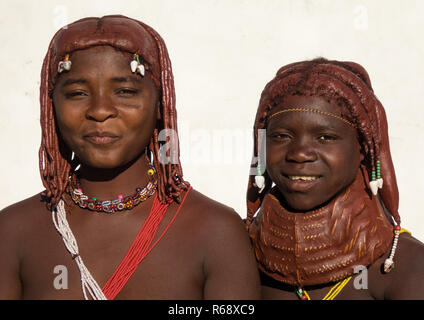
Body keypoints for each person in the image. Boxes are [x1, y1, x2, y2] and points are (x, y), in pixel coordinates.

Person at [0, 15, 260, 300]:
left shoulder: (215, 232)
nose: (100, 111)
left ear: (160, 104)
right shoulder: (14, 232)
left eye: (125, 91)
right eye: (77, 93)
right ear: (51, 107)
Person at [246, 58, 424, 300]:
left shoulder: (406, 266)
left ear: (363, 148)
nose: (299, 154)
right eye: (281, 135)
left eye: (326, 137)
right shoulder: (237, 253)